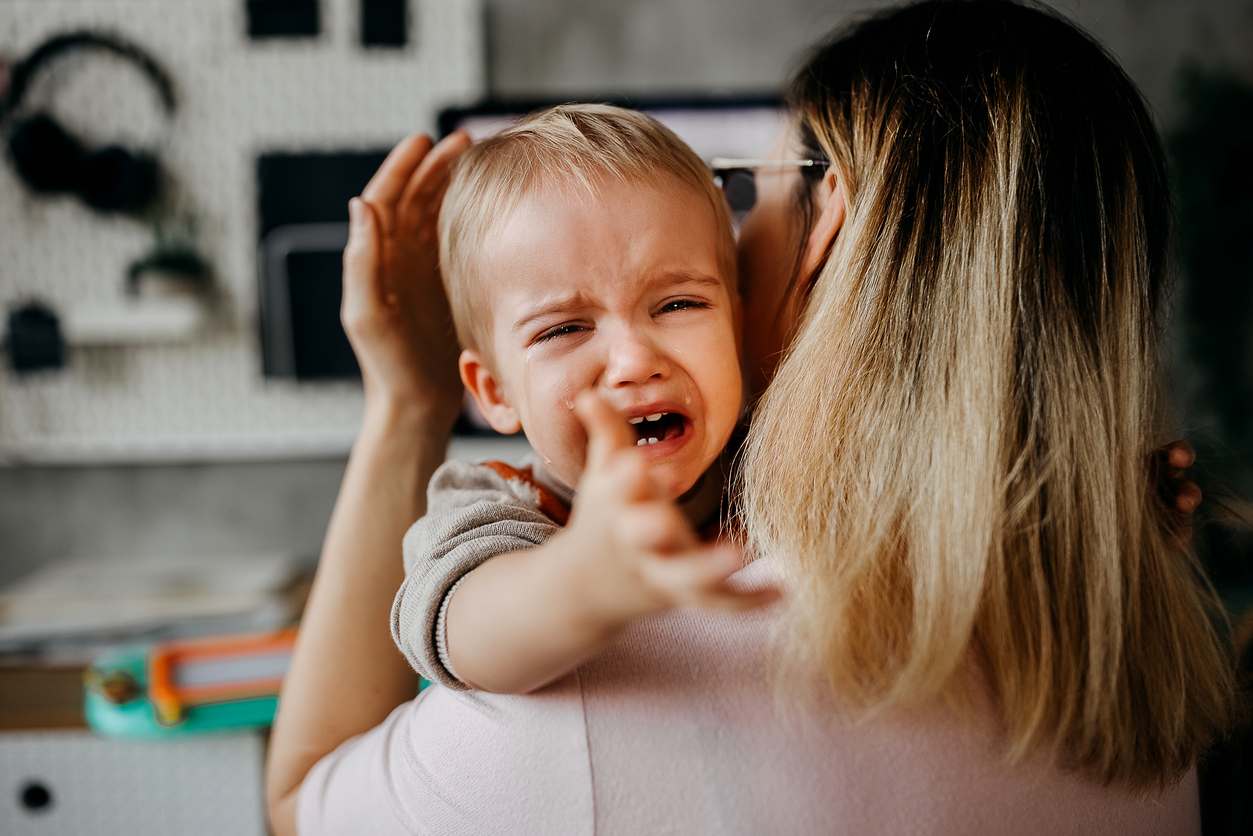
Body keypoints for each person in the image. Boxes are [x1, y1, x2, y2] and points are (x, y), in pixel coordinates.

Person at [266, 2, 1227, 834]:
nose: (635, 354)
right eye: (566, 323)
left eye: (745, 191)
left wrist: (405, 406)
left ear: (826, 222)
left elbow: (299, 807)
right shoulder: (1128, 629)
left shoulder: (606, 687)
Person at [392, 104, 774, 696]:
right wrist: (581, 579)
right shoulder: (494, 505)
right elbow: (464, 633)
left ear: (737, 329)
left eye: (678, 305)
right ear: (494, 392)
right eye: (563, 329)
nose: (633, 361)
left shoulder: (780, 459)